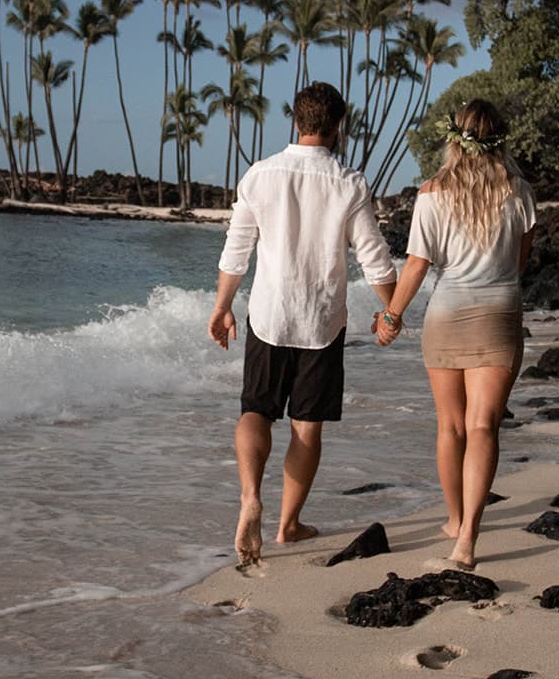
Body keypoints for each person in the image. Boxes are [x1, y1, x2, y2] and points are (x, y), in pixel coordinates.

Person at [209, 81, 401, 567]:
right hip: (321, 321)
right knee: (306, 429)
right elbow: (374, 259)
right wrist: (391, 311)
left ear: (296, 121)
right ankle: (288, 525)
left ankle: (251, 495)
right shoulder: (349, 183)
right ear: (338, 126)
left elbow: (237, 251)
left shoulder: (260, 175)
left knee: (256, 409)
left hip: (270, 315)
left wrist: (222, 306)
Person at [375, 98, 535, 571]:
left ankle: (453, 518)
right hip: (500, 314)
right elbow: (519, 265)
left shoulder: (431, 192)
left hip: (446, 317)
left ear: (454, 138)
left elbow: (418, 265)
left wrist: (391, 316)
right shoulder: (520, 191)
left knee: (450, 427)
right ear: (500, 138)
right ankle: (467, 538)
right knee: (484, 426)